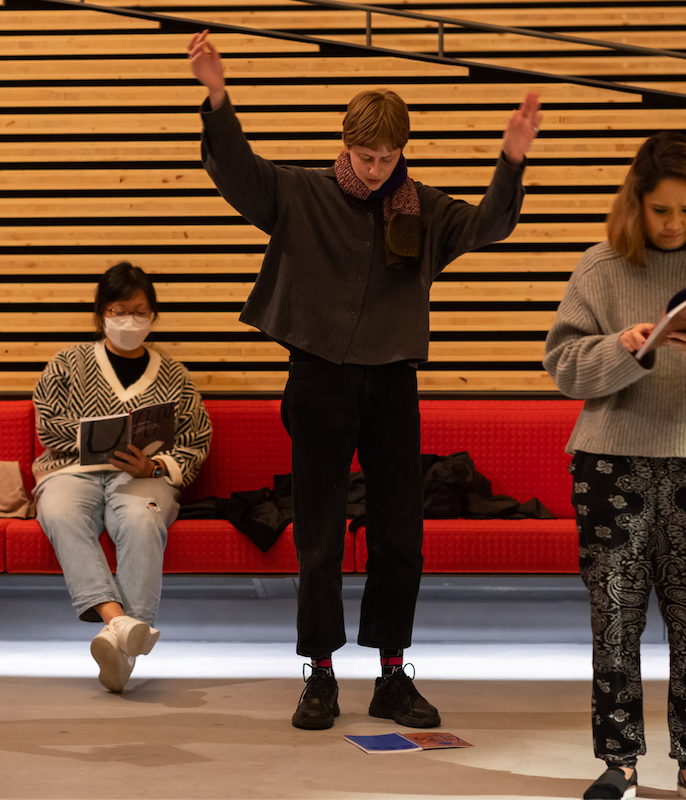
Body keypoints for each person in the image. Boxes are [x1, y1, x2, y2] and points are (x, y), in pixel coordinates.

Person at [189, 28, 541, 731]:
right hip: (317, 378)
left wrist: (511, 160)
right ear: (344, 146)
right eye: (366, 156)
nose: (378, 170)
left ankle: (391, 674)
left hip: (392, 383)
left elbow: (490, 227)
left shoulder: (422, 206)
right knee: (318, 531)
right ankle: (318, 675)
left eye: (388, 158)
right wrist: (218, 97)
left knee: (399, 534)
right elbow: (234, 170)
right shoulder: (301, 193)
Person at [544, 131, 686, 800]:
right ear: (636, 204)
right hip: (611, 462)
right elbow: (564, 367)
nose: (675, 223)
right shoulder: (601, 268)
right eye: (662, 210)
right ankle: (619, 762)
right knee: (615, 616)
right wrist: (626, 346)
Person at [33, 261, 212, 693]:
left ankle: (120, 650)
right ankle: (121, 623)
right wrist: (91, 437)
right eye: (118, 310)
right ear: (101, 314)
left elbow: (196, 438)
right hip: (72, 471)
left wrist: (152, 466)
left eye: (139, 310)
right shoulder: (67, 364)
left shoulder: (174, 377)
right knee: (58, 511)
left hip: (142, 477)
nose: (129, 320)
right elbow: (46, 423)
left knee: (142, 519)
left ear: (152, 316)